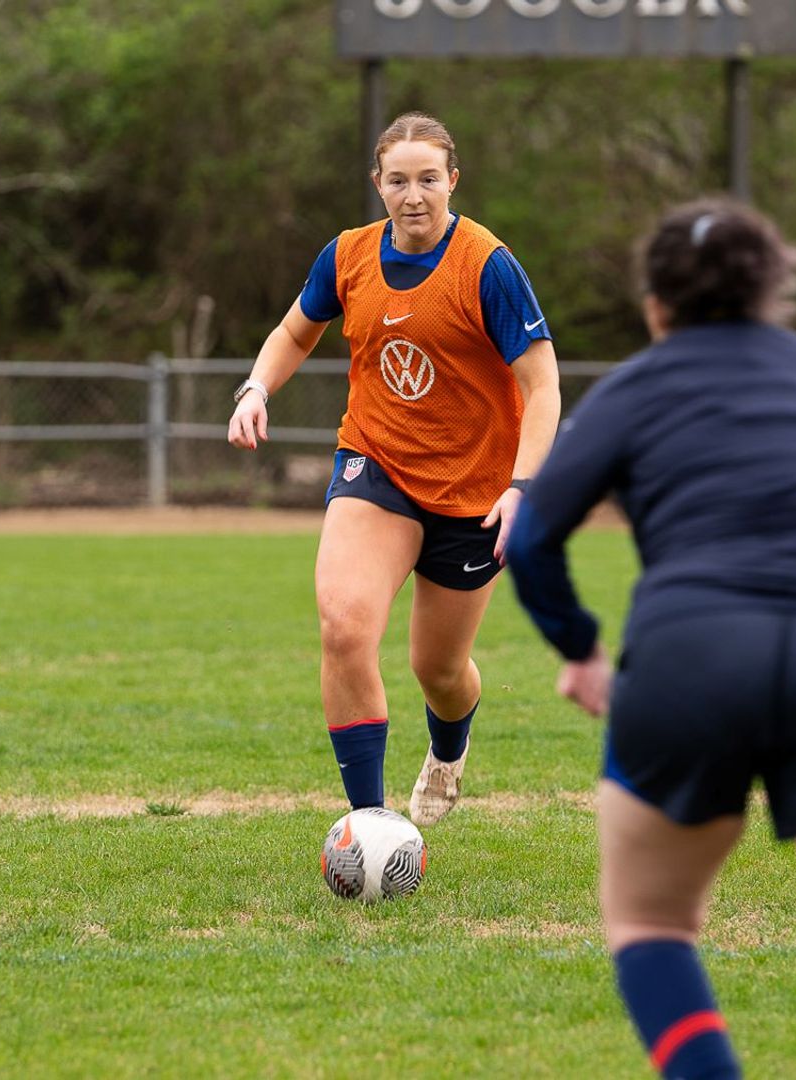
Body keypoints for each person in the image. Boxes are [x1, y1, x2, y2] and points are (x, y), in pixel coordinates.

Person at [505, 198, 796, 1079]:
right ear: (773, 288)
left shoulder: (636, 387)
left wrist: (579, 650)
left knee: (651, 922)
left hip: (690, 658)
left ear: (655, 303)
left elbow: (535, 534)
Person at [227, 113, 560, 825]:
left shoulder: (487, 266)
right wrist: (256, 387)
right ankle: (370, 825)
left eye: (429, 179)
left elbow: (542, 385)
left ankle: (447, 751)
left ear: (453, 182)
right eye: (399, 179)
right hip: (375, 466)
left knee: (437, 671)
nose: (415, 195)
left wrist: (523, 486)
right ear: (378, 184)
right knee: (344, 626)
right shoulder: (346, 256)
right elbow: (294, 332)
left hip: (474, 492)